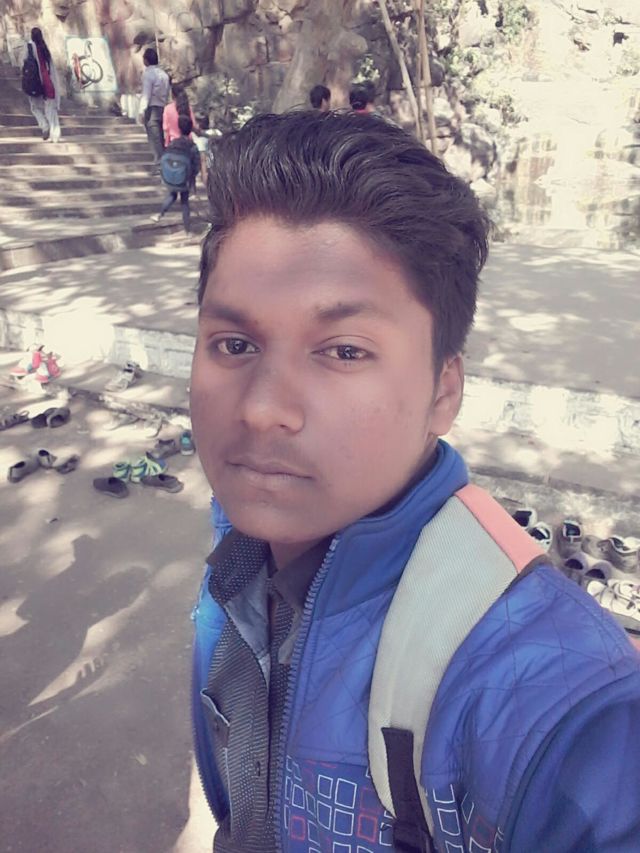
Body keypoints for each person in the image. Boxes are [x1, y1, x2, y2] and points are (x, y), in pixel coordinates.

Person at [189, 111, 640, 853]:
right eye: (234, 344)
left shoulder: (561, 699)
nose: (263, 408)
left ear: (443, 393)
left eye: (342, 350)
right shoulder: (233, 572)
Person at [151, 114, 199, 233]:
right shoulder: (192, 146)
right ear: (190, 129)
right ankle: (187, 230)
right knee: (184, 202)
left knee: (171, 196)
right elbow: (196, 165)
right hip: (184, 179)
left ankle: (159, 214)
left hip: (171, 178)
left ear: (179, 128)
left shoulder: (173, 143)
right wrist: (192, 179)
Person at [24, 27, 61, 142]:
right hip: (48, 81)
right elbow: (51, 67)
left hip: (35, 83)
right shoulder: (44, 47)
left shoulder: (29, 47)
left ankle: (45, 126)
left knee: (35, 107)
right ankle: (55, 135)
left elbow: (23, 62)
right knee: (51, 109)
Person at [138, 47, 169, 166]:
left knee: (154, 138)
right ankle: (163, 163)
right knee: (160, 137)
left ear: (146, 60)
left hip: (152, 109)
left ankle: (160, 163)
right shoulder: (164, 74)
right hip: (162, 107)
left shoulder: (148, 74)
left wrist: (141, 110)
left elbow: (146, 94)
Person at [163, 83, 198, 147]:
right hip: (188, 142)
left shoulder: (167, 109)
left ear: (172, 95)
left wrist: (166, 144)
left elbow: (165, 128)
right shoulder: (187, 107)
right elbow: (193, 125)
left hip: (173, 143)